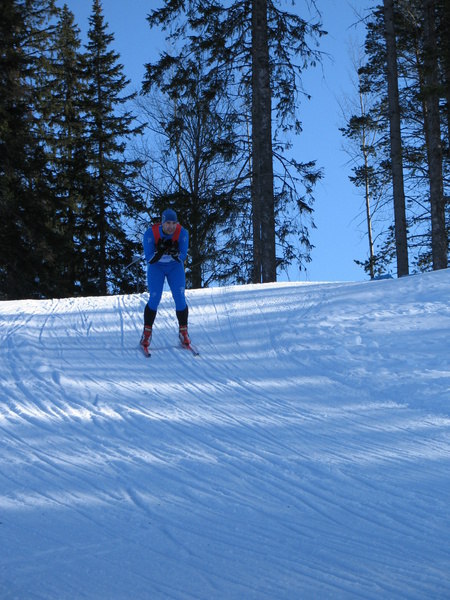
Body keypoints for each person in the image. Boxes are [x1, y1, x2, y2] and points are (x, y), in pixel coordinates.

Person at [140, 208, 191, 353]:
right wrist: (160, 251)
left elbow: (182, 257)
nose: (171, 226)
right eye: (168, 223)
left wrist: (175, 254)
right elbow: (149, 258)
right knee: (155, 297)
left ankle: (183, 332)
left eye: (174, 223)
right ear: (162, 223)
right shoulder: (151, 233)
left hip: (175, 267)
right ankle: (146, 334)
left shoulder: (182, 233)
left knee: (179, 297)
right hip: (157, 267)